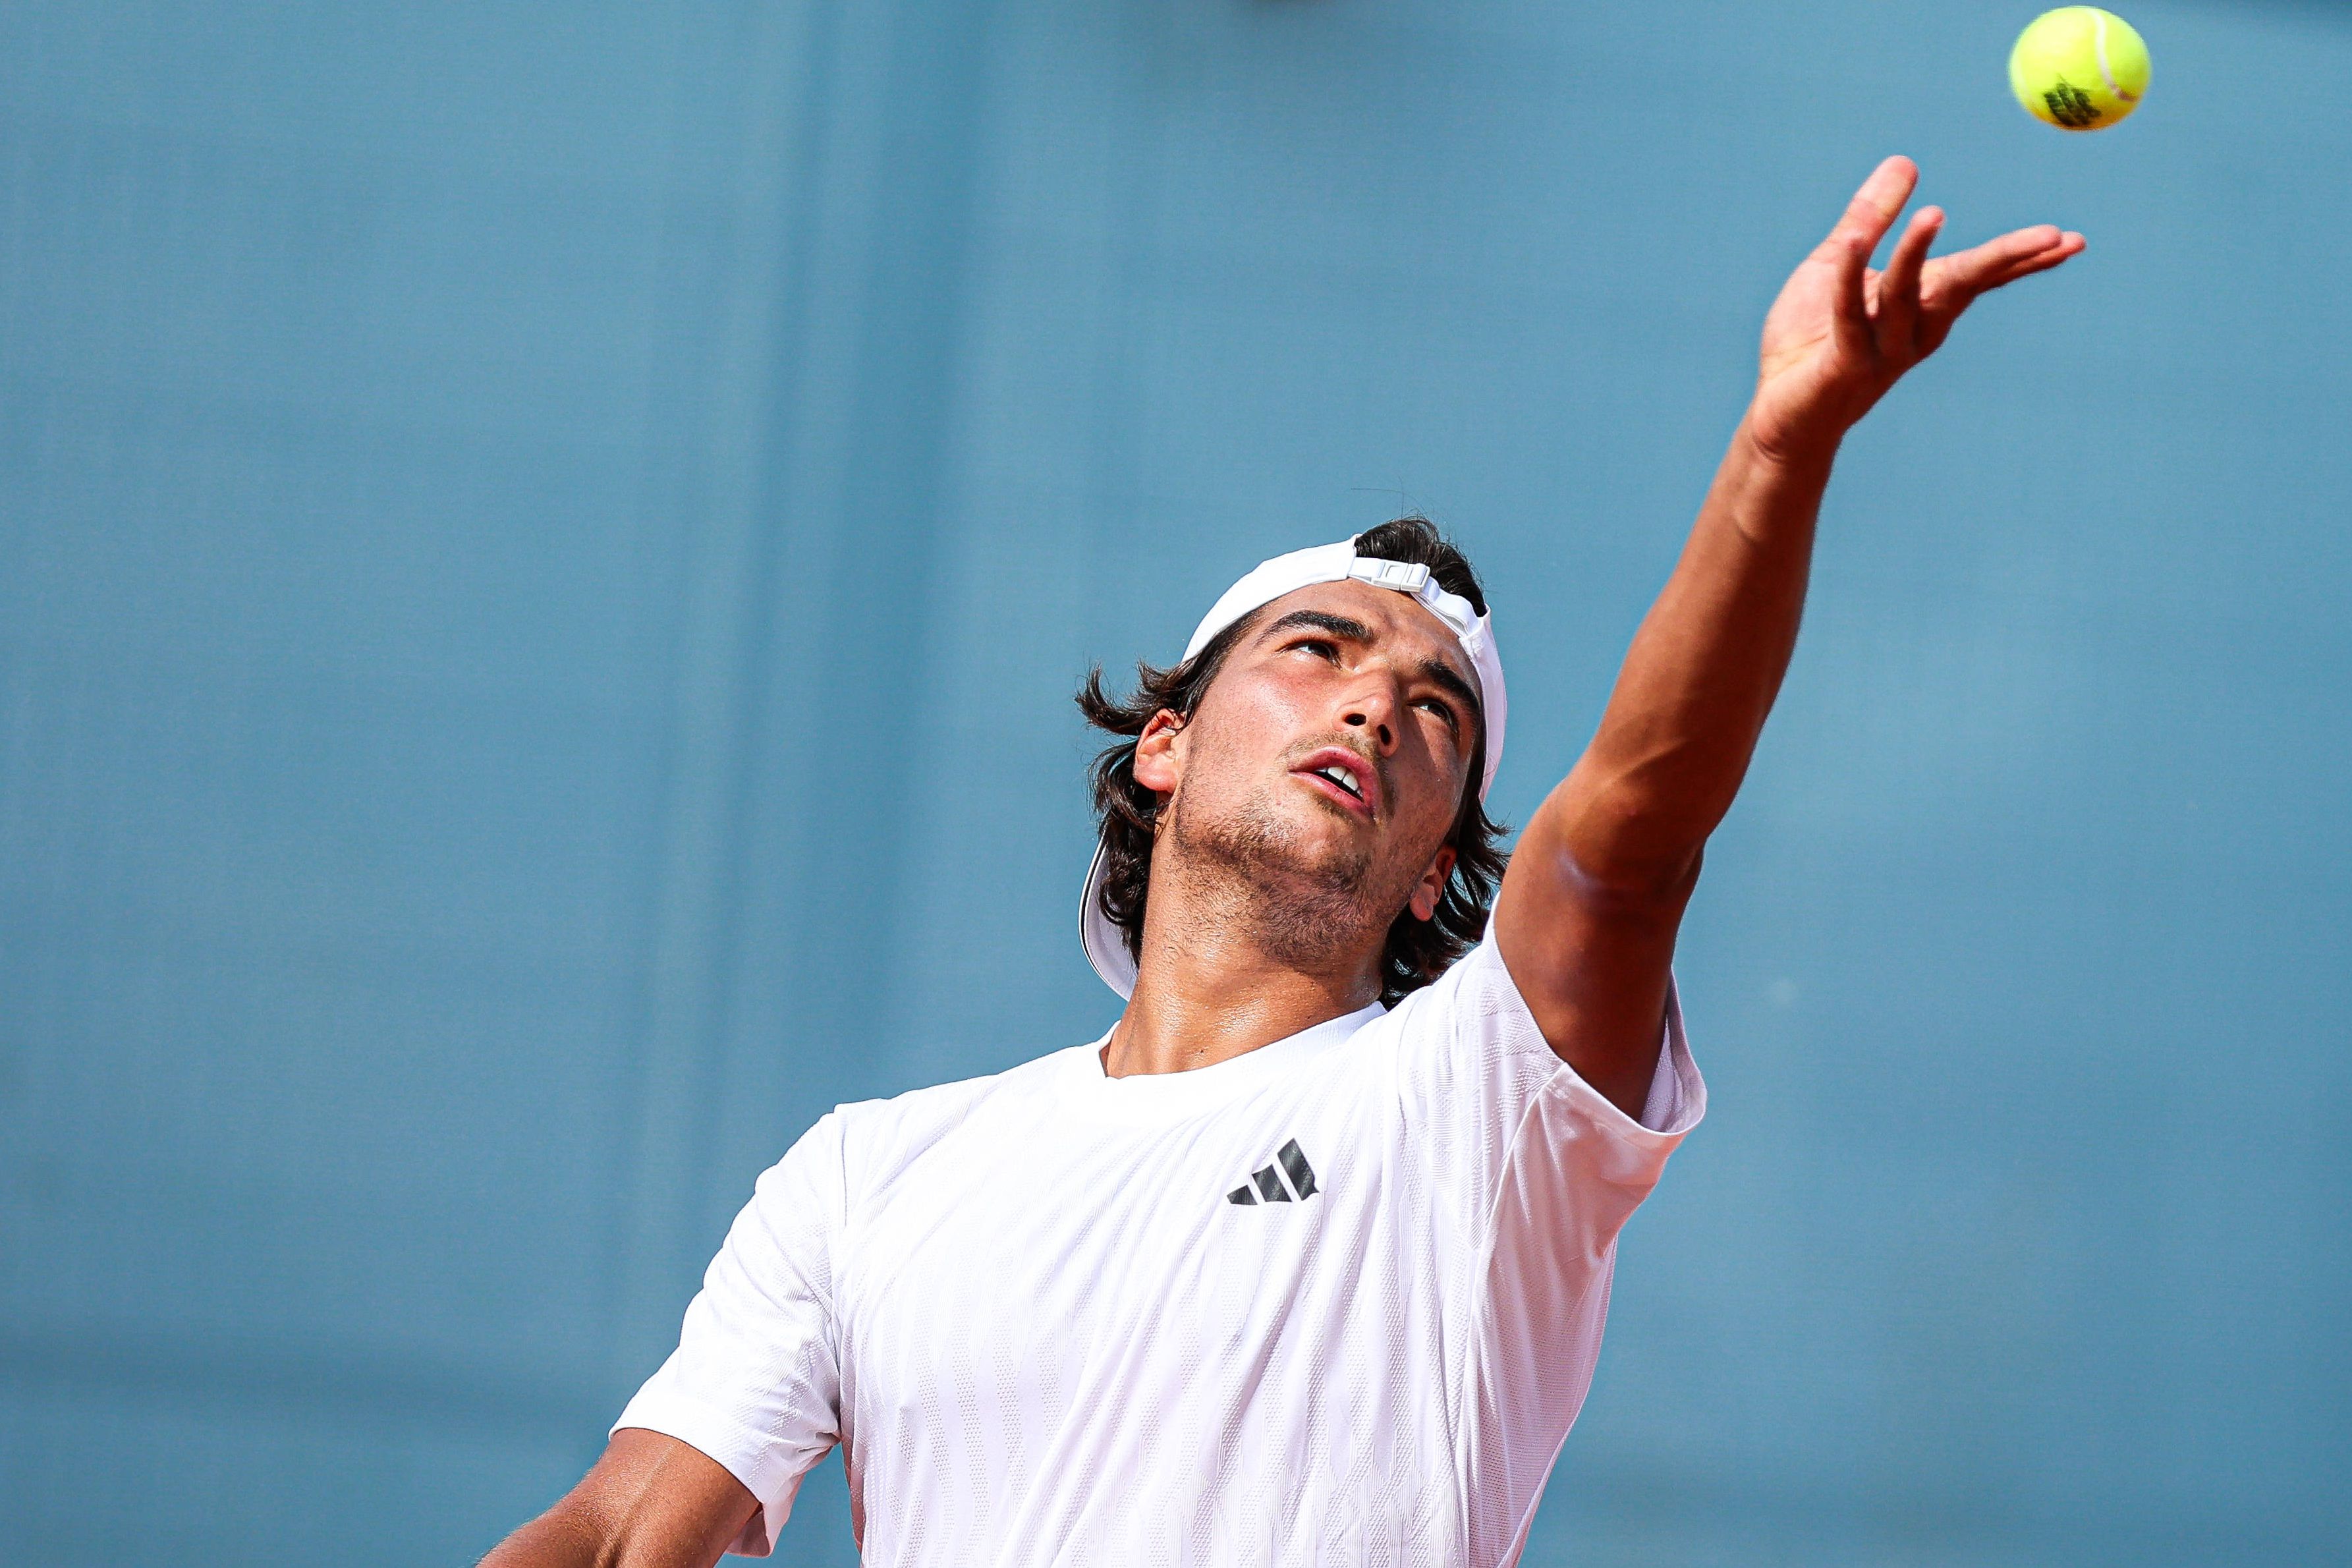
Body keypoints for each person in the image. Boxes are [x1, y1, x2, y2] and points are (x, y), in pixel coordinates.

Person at [482, 157, 2081, 1567]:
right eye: (1319, 650)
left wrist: (1781, 449)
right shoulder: (869, 1174)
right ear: (1165, 744)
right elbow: (629, 1528)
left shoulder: (1476, 1106)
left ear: (1435, 859)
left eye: (1437, 710)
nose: (1379, 697)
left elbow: (1630, 846)